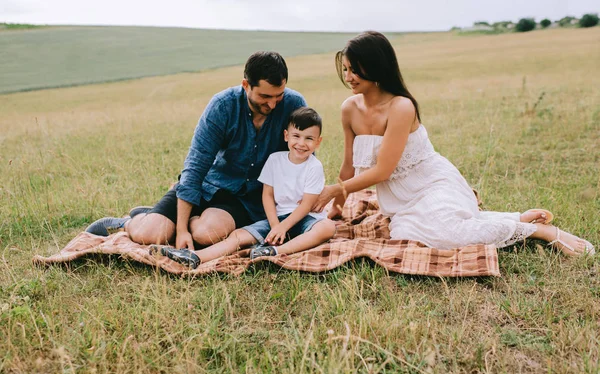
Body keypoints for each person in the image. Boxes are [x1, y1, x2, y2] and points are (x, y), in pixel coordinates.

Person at [312, 31, 594, 256]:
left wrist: (335, 189)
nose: (349, 78)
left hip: (433, 184)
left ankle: (540, 232)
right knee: (408, 236)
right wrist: (337, 206)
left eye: (356, 70)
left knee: (444, 234)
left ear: (376, 68)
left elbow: (383, 170)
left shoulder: (401, 107)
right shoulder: (349, 108)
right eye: (346, 70)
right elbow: (348, 166)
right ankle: (517, 218)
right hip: (399, 203)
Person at [85, 51, 308, 251]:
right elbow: (196, 165)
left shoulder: (294, 104)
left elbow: (303, 160)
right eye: (264, 97)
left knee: (205, 235)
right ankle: (129, 222)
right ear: (246, 85)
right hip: (209, 184)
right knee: (150, 235)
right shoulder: (222, 106)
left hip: (245, 199)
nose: (272, 105)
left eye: (278, 96)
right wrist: (181, 230)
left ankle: (182, 218)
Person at [150, 107, 337, 268]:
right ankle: (195, 257)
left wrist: (283, 229)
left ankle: (274, 251)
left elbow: (306, 205)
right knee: (238, 236)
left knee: (327, 228)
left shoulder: (314, 166)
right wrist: (274, 226)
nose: (302, 143)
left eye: (309, 139)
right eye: (296, 136)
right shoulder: (275, 160)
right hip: (277, 218)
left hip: (305, 218)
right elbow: (268, 196)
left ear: (318, 142)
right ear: (286, 136)